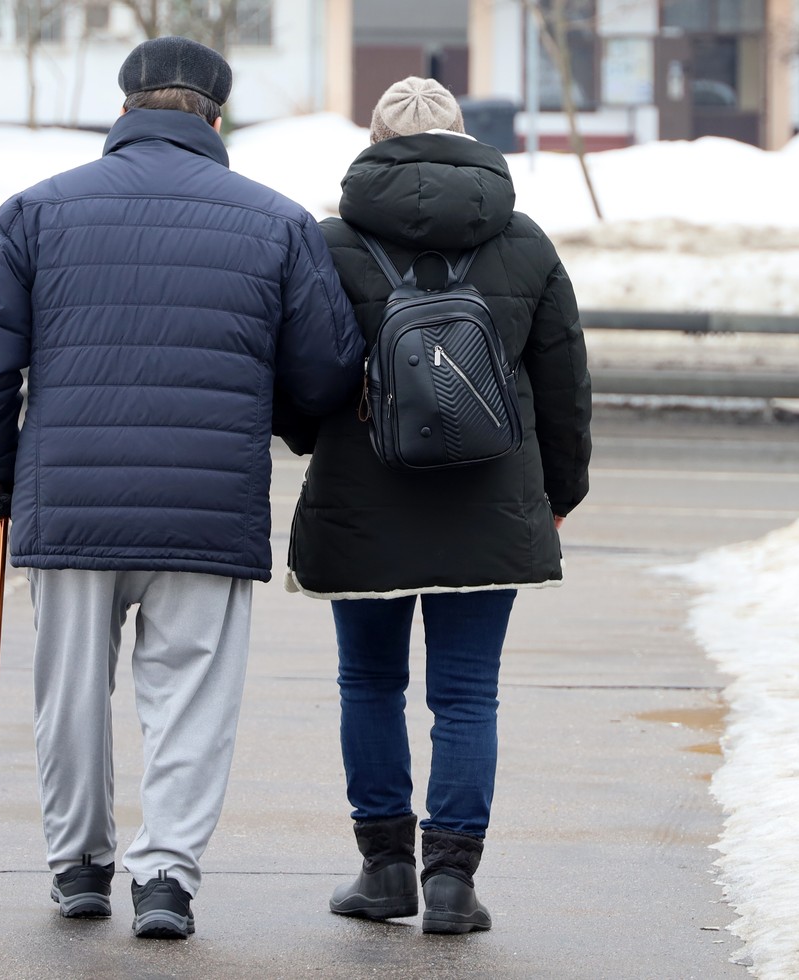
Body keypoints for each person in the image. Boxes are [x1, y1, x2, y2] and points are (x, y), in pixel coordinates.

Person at [0, 36, 362, 940]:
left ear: (125, 108)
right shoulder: (277, 221)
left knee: (68, 696)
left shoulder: (37, 211)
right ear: (217, 117)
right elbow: (328, 369)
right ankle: (166, 877)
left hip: (70, 502)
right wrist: (269, 415)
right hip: (207, 504)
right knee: (191, 700)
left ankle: (78, 866)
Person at [280, 76, 593, 935]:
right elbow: (564, 384)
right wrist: (558, 495)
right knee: (466, 694)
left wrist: (318, 442)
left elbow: (301, 375)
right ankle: (452, 883)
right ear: (465, 141)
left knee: (368, 683)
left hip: (361, 500)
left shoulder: (328, 243)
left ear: (374, 143)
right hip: (489, 502)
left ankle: (385, 871)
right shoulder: (524, 241)